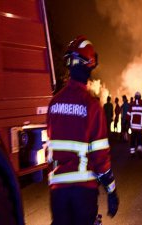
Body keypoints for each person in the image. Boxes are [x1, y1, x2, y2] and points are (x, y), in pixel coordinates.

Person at [46, 35, 119, 225]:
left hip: (58, 191)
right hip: (83, 192)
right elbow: (100, 157)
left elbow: (50, 150)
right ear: (89, 66)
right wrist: (111, 191)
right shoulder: (92, 106)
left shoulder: (53, 104)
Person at [126, 91, 142, 158]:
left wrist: (127, 124)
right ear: (140, 97)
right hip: (139, 127)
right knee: (139, 140)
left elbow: (128, 116)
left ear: (135, 98)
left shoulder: (131, 105)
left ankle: (132, 153)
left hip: (133, 127)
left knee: (132, 140)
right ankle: (139, 153)